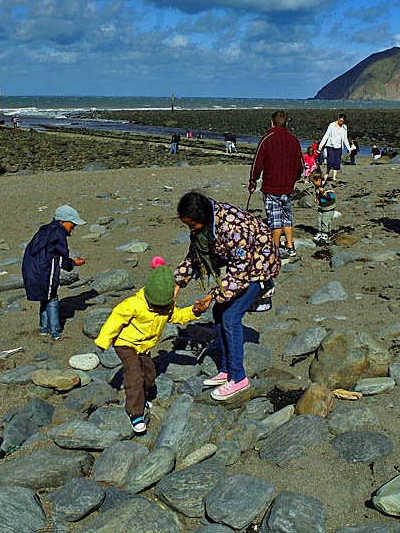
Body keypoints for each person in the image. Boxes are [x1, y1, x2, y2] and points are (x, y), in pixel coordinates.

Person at [174, 192, 279, 401]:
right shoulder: (207, 223)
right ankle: (226, 370)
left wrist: (212, 295)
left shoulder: (232, 228)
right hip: (241, 267)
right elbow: (194, 255)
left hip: (257, 268)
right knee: (219, 312)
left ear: (202, 218)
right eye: (188, 225)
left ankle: (239, 378)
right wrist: (177, 283)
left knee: (231, 316)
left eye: (193, 225)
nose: (191, 230)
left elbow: (240, 272)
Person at [95, 257, 205, 434]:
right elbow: (116, 319)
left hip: (144, 346)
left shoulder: (167, 306)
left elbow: (177, 316)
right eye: (155, 305)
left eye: (162, 306)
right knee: (134, 375)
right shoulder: (134, 304)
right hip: (126, 343)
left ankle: (140, 396)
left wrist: (194, 311)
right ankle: (135, 412)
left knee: (150, 374)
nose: (159, 308)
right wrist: (103, 340)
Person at [22, 205, 87, 340]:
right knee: (52, 299)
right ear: (63, 222)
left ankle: (43, 328)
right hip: (43, 272)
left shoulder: (45, 230)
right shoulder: (58, 234)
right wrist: (73, 263)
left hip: (30, 270)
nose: (73, 229)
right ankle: (55, 331)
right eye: (72, 226)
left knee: (44, 298)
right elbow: (63, 258)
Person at [249, 110, 304, 259]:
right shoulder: (294, 140)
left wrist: (252, 181)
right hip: (287, 185)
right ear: (286, 123)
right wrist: (295, 178)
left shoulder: (266, 139)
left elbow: (257, 163)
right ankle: (290, 245)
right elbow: (301, 165)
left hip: (271, 185)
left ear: (272, 123)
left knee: (275, 218)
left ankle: (276, 247)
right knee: (287, 215)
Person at [318, 113, 351, 182]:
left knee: (337, 162)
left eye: (343, 121)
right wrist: (321, 146)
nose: (341, 122)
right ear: (338, 119)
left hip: (339, 147)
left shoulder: (344, 127)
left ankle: (334, 177)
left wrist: (349, 148)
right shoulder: (332, 125)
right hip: (331, 145)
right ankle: (327, 173)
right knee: (330, 161)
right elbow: (326, 135)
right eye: (340, 120)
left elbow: (345, 138)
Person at [309, 171, 337, 243]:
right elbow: (317, 193)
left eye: (313, 182)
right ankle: (319, 232)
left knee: (325, 220)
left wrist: (324, 192)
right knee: (319, 219)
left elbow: (330, 197)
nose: (313, 184)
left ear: (319, 180)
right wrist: (317, 198)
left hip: (329, 207)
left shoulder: (327, 186)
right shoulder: (317, 186)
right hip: (321, 206)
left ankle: (326, 233)